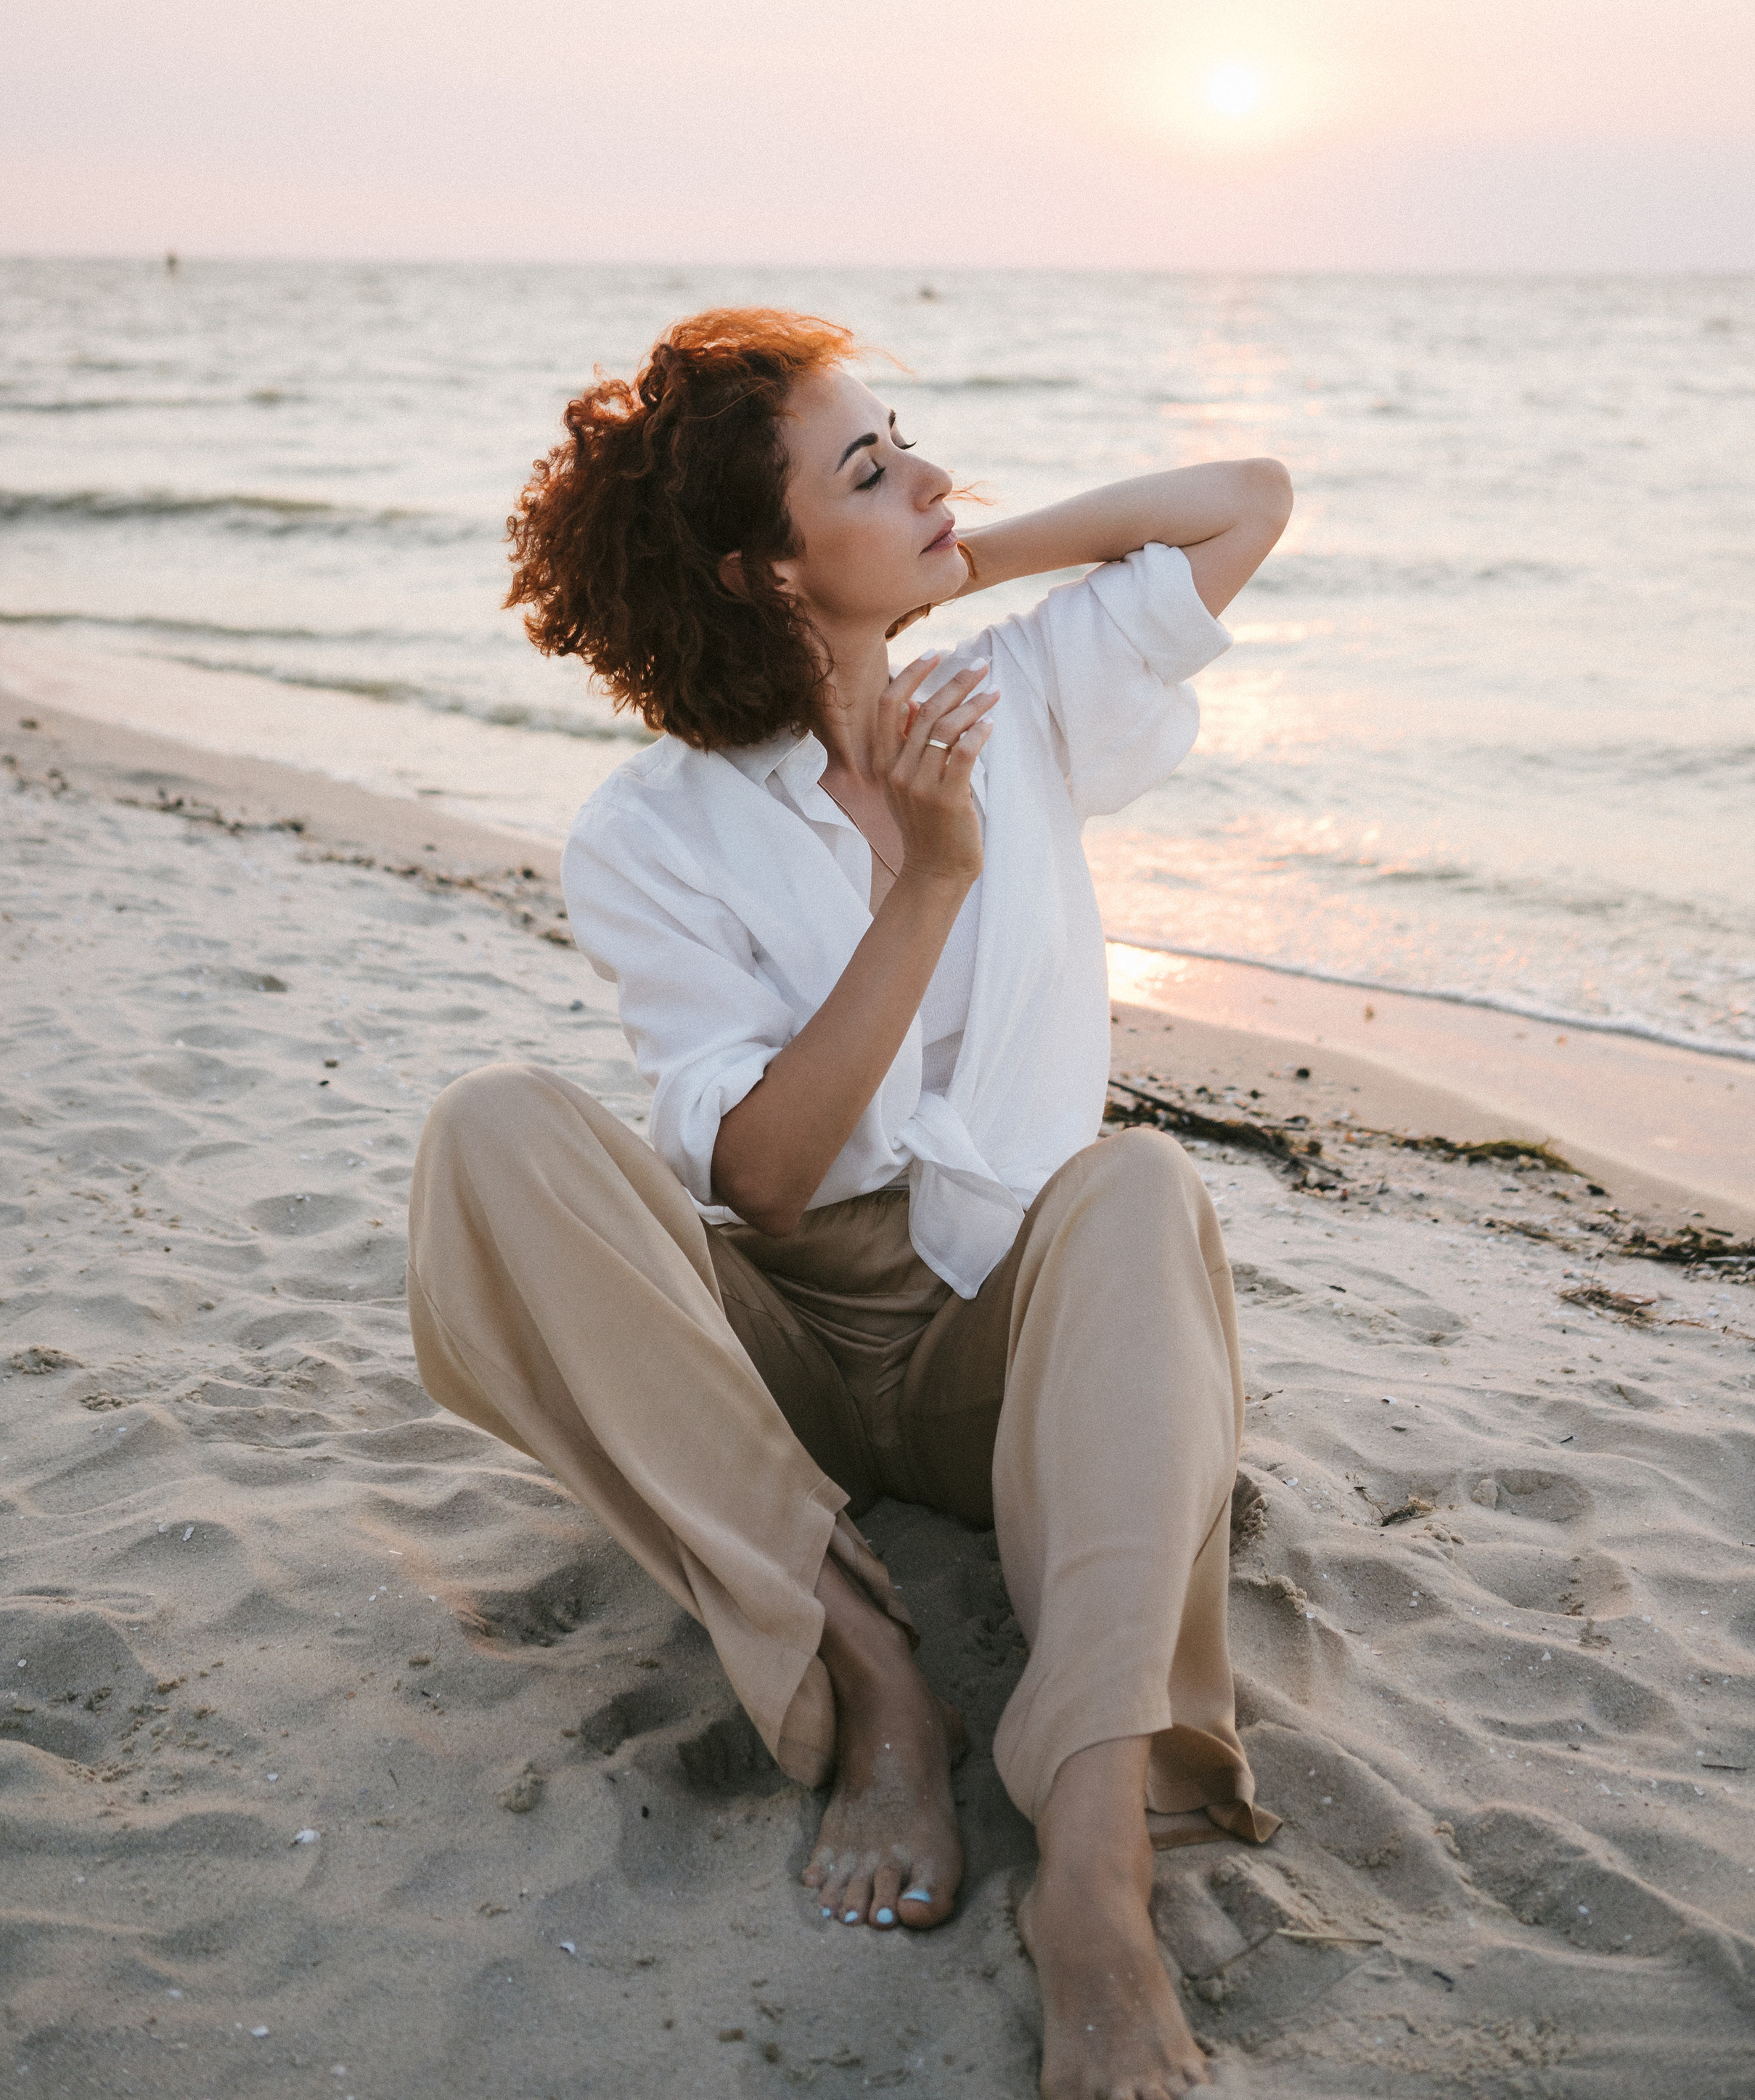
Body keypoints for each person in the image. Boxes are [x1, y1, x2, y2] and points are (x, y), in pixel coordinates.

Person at [407, 307, 1293, 2100]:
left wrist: (925, 571)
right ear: (754, 569)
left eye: (905, 444)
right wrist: (929, 880)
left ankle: (1098, 1876)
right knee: (493, 1128)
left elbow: (1240, 501)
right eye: (870, 471)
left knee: (1140, 1184)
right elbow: (759, 1175)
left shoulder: (1019, 695)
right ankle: (874, 1669)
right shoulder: (652, 832)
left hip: (1012, 1346)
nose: (930, 478)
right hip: (790, 1342)